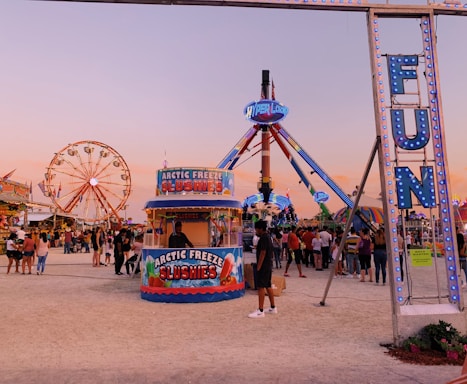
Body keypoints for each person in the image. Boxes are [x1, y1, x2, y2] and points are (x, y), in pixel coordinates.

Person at [248, 220, 277, 318]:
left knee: (261, 287)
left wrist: (259, 266)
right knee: (268, 285)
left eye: (256, 229)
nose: (255, 231)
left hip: (264, 266)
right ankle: (273, 307)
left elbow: (263, 253)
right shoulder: (268, 237)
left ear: (260, 229)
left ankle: (260, 310)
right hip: (268, 265)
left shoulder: (264, 238)